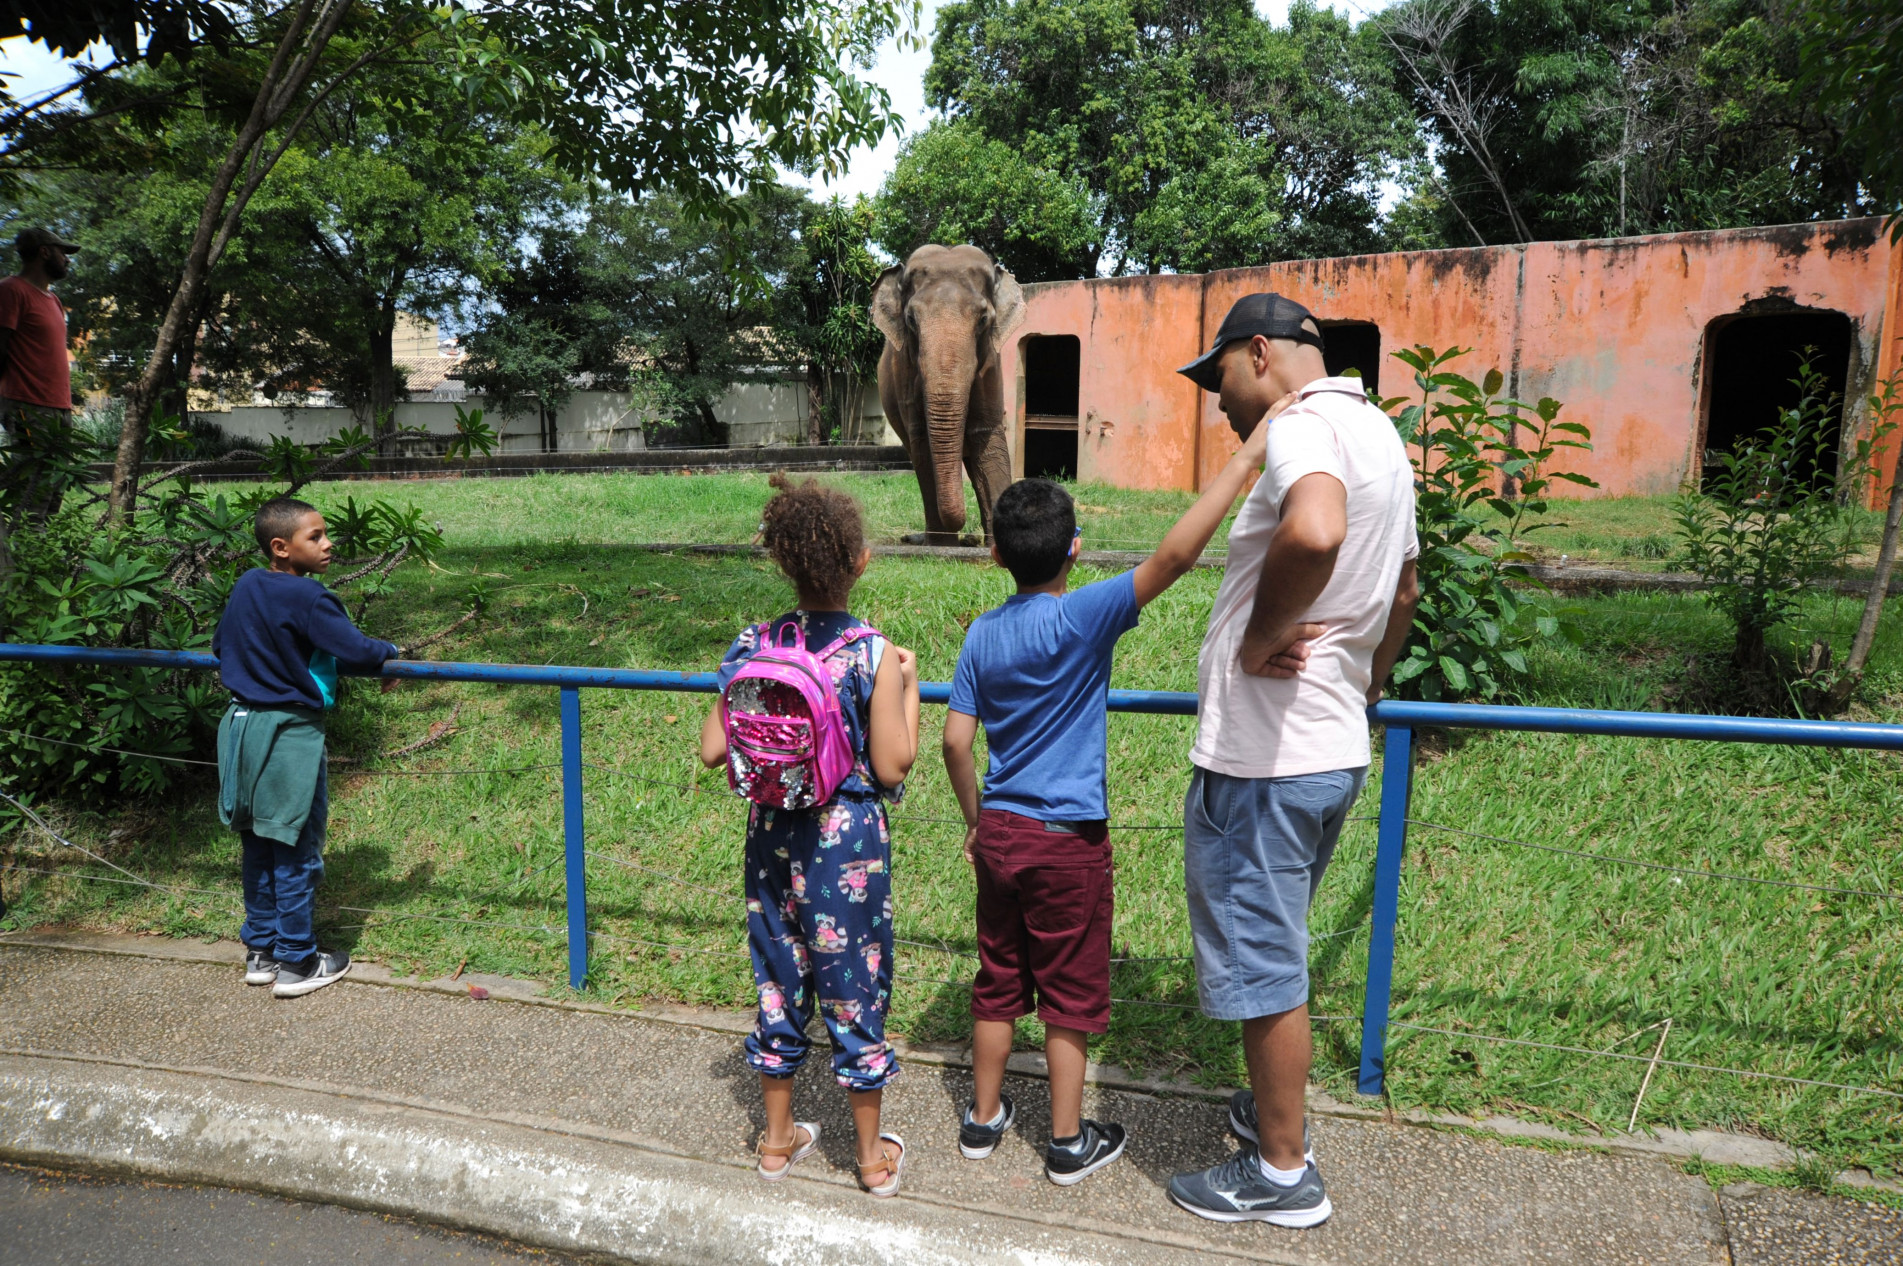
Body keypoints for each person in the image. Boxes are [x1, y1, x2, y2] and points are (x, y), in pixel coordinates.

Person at [939, 423, 1273, 1188]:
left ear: (994, 555)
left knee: (996, 979)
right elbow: (1173, 557)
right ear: (1075, 548)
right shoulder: (1084, 616)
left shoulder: (982, 635)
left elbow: (957, 744)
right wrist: (1246, 458)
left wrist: (975, 820)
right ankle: (1065, 1143)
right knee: (1069, 993)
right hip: (1067, 842)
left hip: (999, 835)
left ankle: (983, 1121)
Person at [1164, 293, 1419, 1227]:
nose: (1219, 401)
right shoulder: (1379, 433)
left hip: (1266, 759)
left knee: (1264, 962)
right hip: (1329, 748)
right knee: (1275, 943)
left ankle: (1281, 1174)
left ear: (1260, 352)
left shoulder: (1303, 426)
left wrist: (1257, 637)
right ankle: (1272, 1114)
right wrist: (1361, 685)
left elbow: (1313, 530)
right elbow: (1402, 591)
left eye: (1220, 377)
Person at [698, 474, 922, 1197]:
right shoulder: (870, 653)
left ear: (783, 564)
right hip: (845, 839)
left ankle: (774, 1141)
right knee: (851, 985)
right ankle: (868, 1158)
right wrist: (909, 689)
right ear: (860, 562)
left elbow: (711, 749)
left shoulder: (753, 641)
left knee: (778, 974)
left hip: (771, 830)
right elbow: (892, 763)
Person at [213, 497, 403, 999]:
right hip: (289, 733)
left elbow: (220, 646)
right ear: (281, 547)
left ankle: (261, 951)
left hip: (239, 728)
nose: (327, 544)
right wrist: (391, 653)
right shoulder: (310, 597)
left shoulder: (248, 585)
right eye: (315, 537)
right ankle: (298, 961)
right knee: (295, 846)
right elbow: (357, 649)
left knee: (257, 842)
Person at [0, 227, 78, 429]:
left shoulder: (54, 300)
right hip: (28, 406)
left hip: (59, 406)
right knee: (30, 462)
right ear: (44, 252)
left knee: (61, 462)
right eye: (62, 253)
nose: (67, 260)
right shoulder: (10, 290)